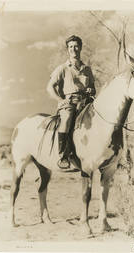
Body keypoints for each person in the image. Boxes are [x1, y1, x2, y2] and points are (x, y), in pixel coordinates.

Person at [47, 35, 96, 169]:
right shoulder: (62, 68)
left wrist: (91, 90)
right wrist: (60, 100)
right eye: (70, 47)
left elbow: (93, 89)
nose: (73, 49)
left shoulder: (87, 69)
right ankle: (63, 155)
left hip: (86, 102)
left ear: (80, 48)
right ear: (67, 50)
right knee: (67, 118)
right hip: (70, 103)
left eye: (76, 46)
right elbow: (49, 87)